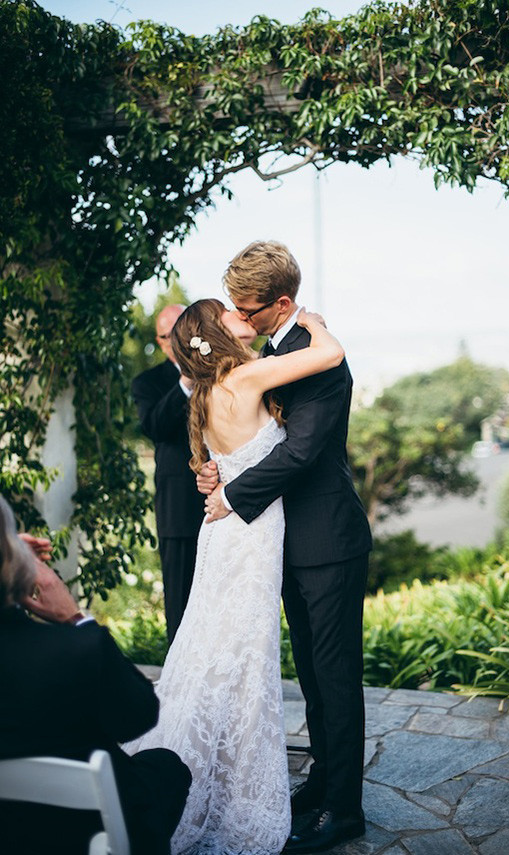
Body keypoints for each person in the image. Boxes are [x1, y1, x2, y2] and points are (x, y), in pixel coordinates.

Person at [125, 298, 345, 855]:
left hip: (223, 534)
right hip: (250, 535)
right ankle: (236, 790)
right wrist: (314, 323)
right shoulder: (246, 378)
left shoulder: (202, 395)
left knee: (209, 651)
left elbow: (208, 465)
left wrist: (216, 481)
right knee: (243, 662)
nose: (235, 316)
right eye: (227, 312)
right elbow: (331, 354)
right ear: (216, 333)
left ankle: (200, 772)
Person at [200, 241, 372, 854]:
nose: (240, 320)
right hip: (288, 543)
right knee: (313, 677)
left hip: (328, 540)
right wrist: (219, 471)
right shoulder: (278, 349)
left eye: (248, 309)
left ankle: (344, 811)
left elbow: (300, 452)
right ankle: (324, 779)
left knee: (335, 676)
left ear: (281, 302)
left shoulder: (321, 360)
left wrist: (231, 496)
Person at [0, 495, 191, 855]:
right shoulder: (78, 650)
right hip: (82, 834)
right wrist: (76, 617)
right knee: (166, 767)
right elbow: (139, 717)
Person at [131, 304, 211, 644]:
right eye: (171, 334)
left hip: (225, 500)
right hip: (179, 507)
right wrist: (185, 381)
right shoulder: (148, 382)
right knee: (180, 599)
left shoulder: (218, 370)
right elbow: (154, 426)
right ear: (162, 342)